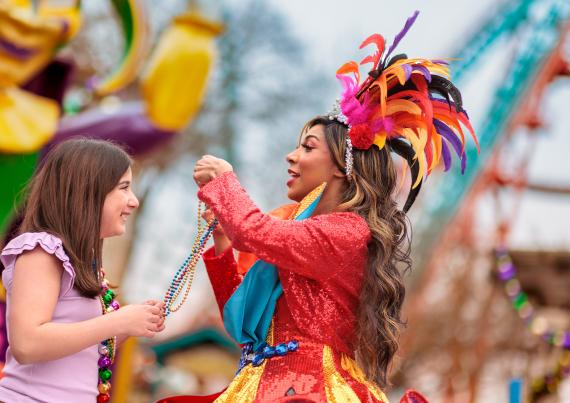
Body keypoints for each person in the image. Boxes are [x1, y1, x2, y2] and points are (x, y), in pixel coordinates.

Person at [171, 10, 476, 403]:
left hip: (312, 391)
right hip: (260, 386)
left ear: (341, 167)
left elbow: (255, 231)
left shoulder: (348, 231)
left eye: (307, 147)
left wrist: (226, 181)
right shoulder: (299, 231)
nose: (291, 156)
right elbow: (242, 322)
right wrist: (222, 241)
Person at [0, 139, 166, 403]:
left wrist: (131, 325)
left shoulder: (83, 261)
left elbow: (82, 349)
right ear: (89, 191)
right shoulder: (41, 251)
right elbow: (27, 343)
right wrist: (119, 321)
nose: (133, 201)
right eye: (124, 188)